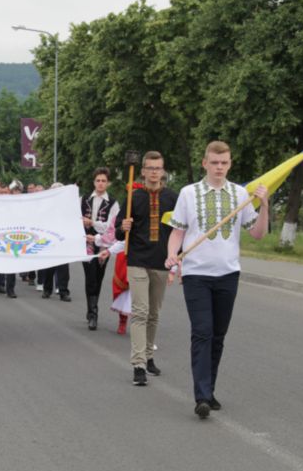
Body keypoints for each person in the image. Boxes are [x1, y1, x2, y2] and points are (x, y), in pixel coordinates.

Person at [165, 141, 269, 419]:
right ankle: (201, 396)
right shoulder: (188, 193)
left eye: (224, 163)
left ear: (230, 164)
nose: (219, 167)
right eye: (214, 162)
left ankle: (209, 390)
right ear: (205, 163)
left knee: (218, 335)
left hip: (228, 274)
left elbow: (258, 234)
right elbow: (177, 231)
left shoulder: (240, 194)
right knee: (202, 332)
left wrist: (265, 204)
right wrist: (171, 255)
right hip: (197, 274)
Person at [116, 151, 178, 387]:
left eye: (158, 168)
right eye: (150, 168)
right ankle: (138, 364)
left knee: (154, 313)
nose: (154, 172)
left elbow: (179, 231)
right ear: (142, 170)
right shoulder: (134, 196)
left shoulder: (173, 198)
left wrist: (176, 261)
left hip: (161, 261)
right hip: (137, 260)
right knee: (140, 312)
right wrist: (124, 225)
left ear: (163, 171)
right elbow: (119, 230)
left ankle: (149, 356)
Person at [81, 167, 120, 330]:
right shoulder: (83, 199)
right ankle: (93, 313)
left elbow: (112, 226)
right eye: (98, 180)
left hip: (103, 244)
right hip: (86, 244)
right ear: (94, 182)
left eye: (104, 180)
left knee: (98, 276)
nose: (101, 183)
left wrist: (92, 223)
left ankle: (92, 310)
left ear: (108, 183)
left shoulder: (113, 202)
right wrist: (82, 222)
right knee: (89, 276)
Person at [41, 182, 72, 303]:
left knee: (64, 268)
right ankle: (47, 289)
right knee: (49, 267)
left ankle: (63, 291)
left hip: (63, 241)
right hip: (50, 241)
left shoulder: (68, 207)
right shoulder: (47, 207)